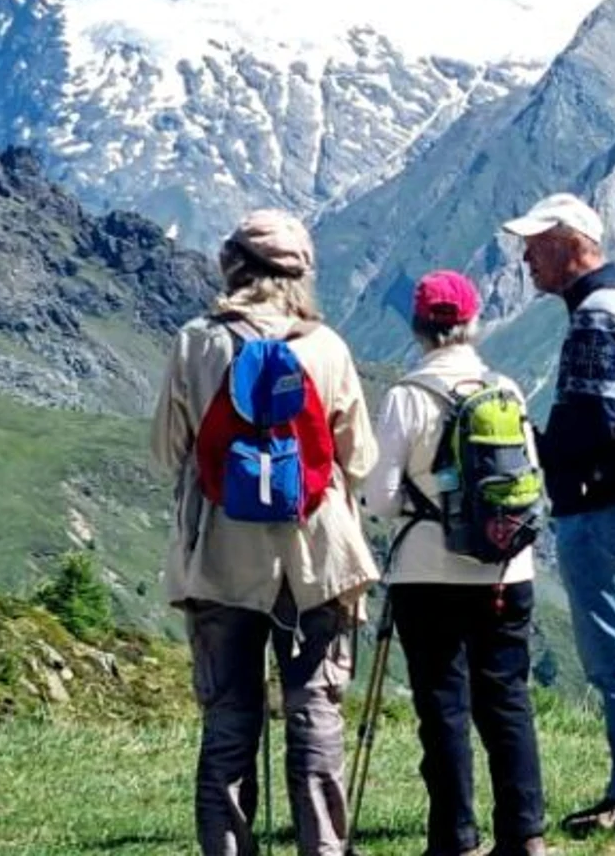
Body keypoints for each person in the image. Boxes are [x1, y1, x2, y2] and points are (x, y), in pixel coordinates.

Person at [151, 209, 379, 856]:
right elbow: (357, 455)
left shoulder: (197, 340)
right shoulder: (326, 346)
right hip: (317, 560)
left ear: (233, 265)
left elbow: (167, 447)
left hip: (221, 556)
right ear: (299, 275)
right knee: (314, 712)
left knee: (228, 719)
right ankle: (324, 849)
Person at [363, 270, 549, 856]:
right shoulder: (506, 389)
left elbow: (380, 497)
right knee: (507, 701)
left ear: (418, 326)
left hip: (426, 572)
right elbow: (529, 478)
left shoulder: (407, 397)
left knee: (443, 706)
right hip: (505, 569)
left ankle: (455, 838)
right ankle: (525, 836)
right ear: (473, 323)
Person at [502, 192, 615, 839]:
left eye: (538, 243)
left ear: (573, 244)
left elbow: (593, 417)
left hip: (599, 498)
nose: (526, 255)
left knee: (612, 647)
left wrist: (533, 442)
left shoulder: (597, 314)